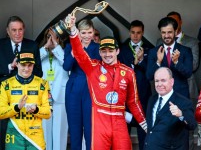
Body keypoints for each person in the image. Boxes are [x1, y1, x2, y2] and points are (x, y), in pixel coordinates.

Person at [66, 14, 147, 150]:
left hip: (119, 123)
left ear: (117, 51)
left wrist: (144, 124)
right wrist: (73, 30)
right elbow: (80, 54)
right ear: (100, 52)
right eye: (104, 51)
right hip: (100, 124)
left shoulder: (128, 72)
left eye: (111, 51)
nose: (107, 54)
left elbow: (133, 102)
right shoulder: (93, 68)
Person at [0, 16, 43, 150]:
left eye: (20, 30)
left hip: (27, 96)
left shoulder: (32, 45)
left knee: (27, 132)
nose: (17, 33)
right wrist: (10, 67)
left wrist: (25, 70)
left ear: (24, 30)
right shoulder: (0, 45)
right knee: (3, 130)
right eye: (14, 30)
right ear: (8, 31)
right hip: (5, 96)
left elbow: (39, 72)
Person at [0, 51, 51, 150]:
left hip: (35, 139)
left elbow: (48, 113)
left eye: (30, 65)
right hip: (14, 137)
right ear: (17, 64)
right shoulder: (6, 85)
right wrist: (16, 108)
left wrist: (36, 110)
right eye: (23, 65)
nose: (26, 69)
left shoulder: (43, 84)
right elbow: (1, 112)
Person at [63, 19, 101, 150]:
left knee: (91, 129)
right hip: (73, 89)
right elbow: (66, 66)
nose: (86, 36)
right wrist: (75, 50)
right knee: (74, 129)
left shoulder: (97, 48)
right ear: (78, 33)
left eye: (89, 32)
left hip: (91, 90)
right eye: (83, 32)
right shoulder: (70, 46)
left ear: (93, 32)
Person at [144, 67, 197, 150]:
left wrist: (181, 114)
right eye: (157, 81)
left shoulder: (183, 102)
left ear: (172, 82)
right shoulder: (152, 100)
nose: (159, 84)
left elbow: (192, 124)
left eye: (163, 80)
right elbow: (151, 129)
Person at [118, 20, 152, 150]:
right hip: (125, 95)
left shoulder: (149, 49)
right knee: (123, 131)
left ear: (142, 33)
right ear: (129, 32)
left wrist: (141, 60)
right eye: (133, 32)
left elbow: (150, 73)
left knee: (143, 129)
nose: (135, 36)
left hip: (143, 95)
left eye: (138, 33)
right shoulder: (122, 49)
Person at [156, 11, 199, 104]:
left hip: (186, 86)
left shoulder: (192, 42)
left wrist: (181, 55)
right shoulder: (159, 42)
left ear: (180, 22)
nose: (173, 24)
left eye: (175, 21)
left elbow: (194, 65)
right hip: (165, 88)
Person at [147, 16, 193, 98]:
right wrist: (158, 61)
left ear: (175, 32)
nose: (166, 35)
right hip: (160, 96)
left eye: (169, 32)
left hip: (181, 96)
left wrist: (177, 62)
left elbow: (188, 73)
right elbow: (149, 76)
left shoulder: (185, 51)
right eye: (163, 32)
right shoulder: (153, 52)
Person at [39, 28, 69, 150]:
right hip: (44, 98)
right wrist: (46, 47)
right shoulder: (41, 53)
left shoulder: (65, 52)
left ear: (59, 39)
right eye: (48, 37)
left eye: (54, 37)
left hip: (60, 97)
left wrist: (56, 46)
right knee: (45, 133)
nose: (51, 40)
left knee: (60, 133)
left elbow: (67, 64)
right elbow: (34, 62)